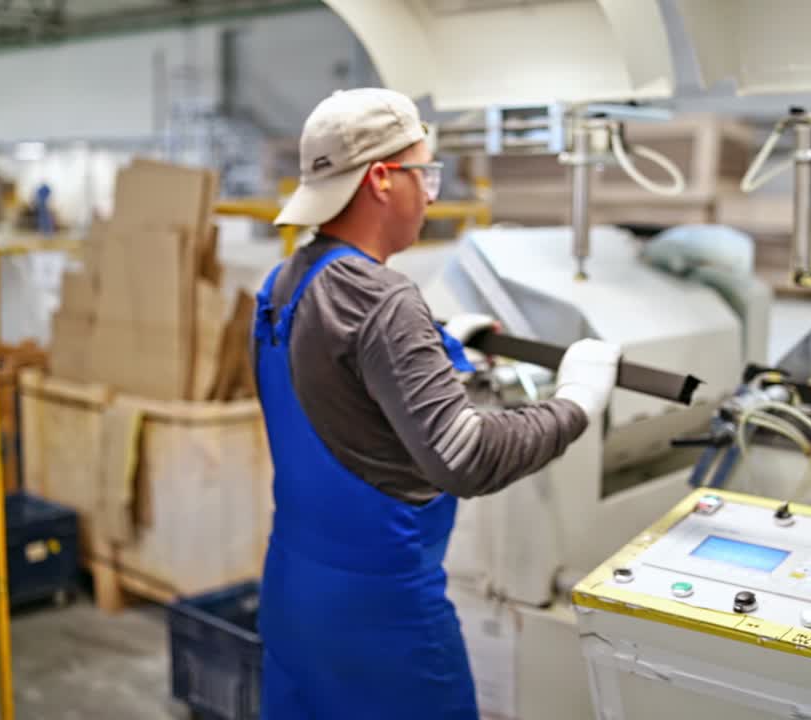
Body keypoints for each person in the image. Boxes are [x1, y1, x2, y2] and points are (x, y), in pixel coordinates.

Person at [255, 87, 621, 720]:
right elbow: (466, 458)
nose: (432, 192)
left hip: (293, 591)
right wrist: (578, 402)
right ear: (380, 180)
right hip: (383, 613)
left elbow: (338, 389)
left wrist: (446, 347)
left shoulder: (285, 281)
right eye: (425, 173)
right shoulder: (384, 299)